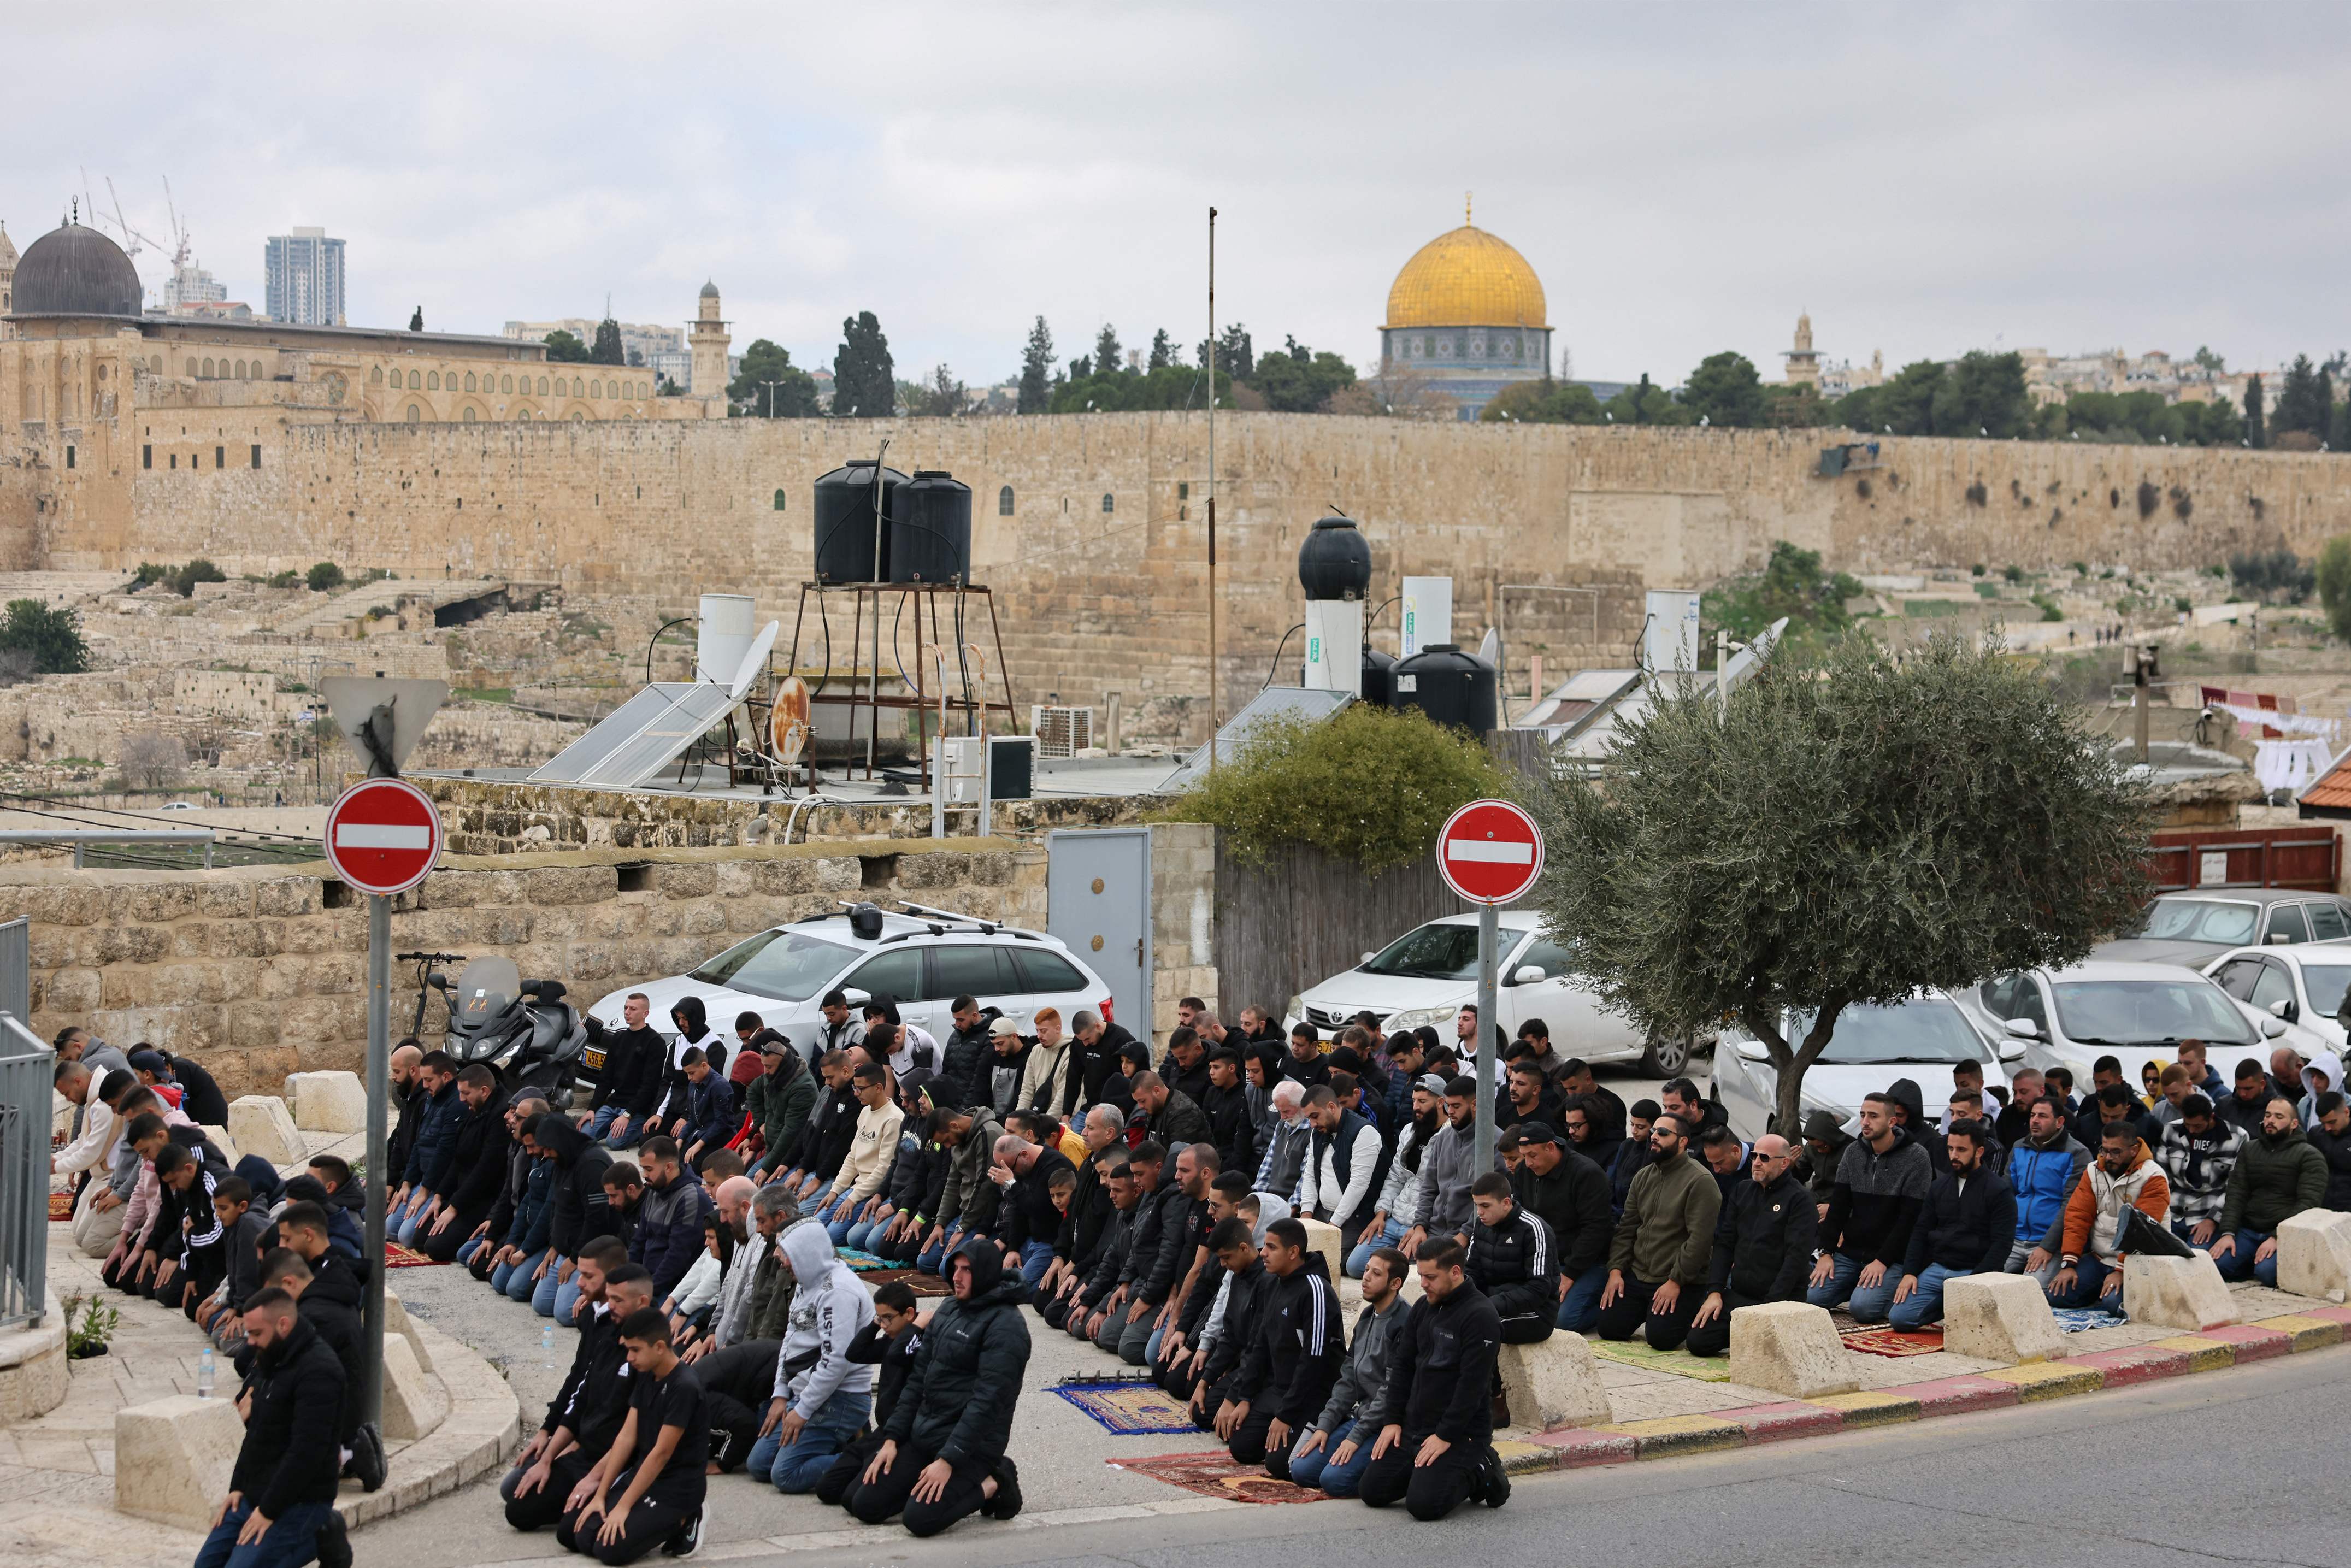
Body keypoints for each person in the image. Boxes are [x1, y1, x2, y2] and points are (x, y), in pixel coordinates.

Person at [841, 1237, 1030, 1536]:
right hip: (927, 1434)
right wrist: (892, 1440)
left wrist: (948, 1460)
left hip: (971, 1448)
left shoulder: (1007, 1326)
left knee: (920, 1520)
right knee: (862, 1504)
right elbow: (918, 1381)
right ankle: (924, 1481)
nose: (956, 1277)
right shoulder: (949, 1307)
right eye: (955, 1268)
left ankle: (995, 1481)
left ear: (984, 1273)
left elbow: (986, 1404)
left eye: (966, 1270)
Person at [1355, 1239, 1510, 1519]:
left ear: (1454, 1272)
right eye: (1421, 1275)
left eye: (1430, 1277)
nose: (1423, 1284)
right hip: (1415, 1425)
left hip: (1460, 1432)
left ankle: (1479, 1469)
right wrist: (1392, 1421)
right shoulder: (1424, 1307)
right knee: (1372, 1492)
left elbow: (1473, 1387)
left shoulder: (1481, 1315)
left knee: (1424, 1507)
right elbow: (1402, 1367)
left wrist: (1445, 1436)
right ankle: (1429, 1475)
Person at [195, 1288, 348, 1568]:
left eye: (255, 1334)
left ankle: (321, 1533)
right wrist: (237, 1488)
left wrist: (268, 1511)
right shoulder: (271, 1355)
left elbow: (307, 1453)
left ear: (283, 1325)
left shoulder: (320, 1371)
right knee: (206, 1565)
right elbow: (255, 1434)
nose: (250, 1342)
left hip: (302, 1500)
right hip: (257, 1492)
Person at [504, 1253, 652, 1533]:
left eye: (618, 1301)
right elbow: (580, 1397)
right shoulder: (608, 1334)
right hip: (585, 1454)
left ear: (641, 1302)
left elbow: (633, 1437)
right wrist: (548, 1457)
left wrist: (597, 1481)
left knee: (574, 1533)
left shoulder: (649, 1355)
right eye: (610, 1299)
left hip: (617, 1463)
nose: (610, 1307)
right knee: (518, 1505)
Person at [556, 1308, 708, 1563]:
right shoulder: (647, 1373)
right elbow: (627, 1437)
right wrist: (601, 1495)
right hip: (644, 1475)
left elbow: (660, 1454)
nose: (629, 1358)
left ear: (659, 1347)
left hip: (675, 1487)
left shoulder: (684, 1387)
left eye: (635, 1350)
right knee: (573, 1535)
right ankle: (635, 1512)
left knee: (608, 1550)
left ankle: (687, 1517)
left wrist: (623, 1507)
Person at [746, 1224, 876, 1492]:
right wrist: (781, 1394)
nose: (779, 1260)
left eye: (785, 1253)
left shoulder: (838, 1291)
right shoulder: (807, 1283)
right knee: (759, 1465)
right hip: (809, 1394)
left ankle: (867, 1459)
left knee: (785, 1475)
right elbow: (789, 1341)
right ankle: (842, 1442)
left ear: (806, 1253)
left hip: (841, 1398)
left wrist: (802, 1411)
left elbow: (835, 1361)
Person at [1287, 1246, 1411, 1498]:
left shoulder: (1403, 1323)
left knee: (1335, 1482)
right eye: (1366, 1270)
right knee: (1301, 1471)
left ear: (1395, 1283)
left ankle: (1395, 1473)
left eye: (1376, 1274)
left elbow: (1391, 1392)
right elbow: (1348, 1379)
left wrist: (1355, 1437)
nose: (1365, 1277)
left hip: (1388, 1424)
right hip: (1361, 1417)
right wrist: (1325, 1426)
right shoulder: (1367, 1317)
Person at [1595, 1113, 1722, 1349]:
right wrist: (1615, 1272)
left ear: (1683, 1142)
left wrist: (1675, 1281)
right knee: (1609, 1329)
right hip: (1638, 1274)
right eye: (1654, 1131)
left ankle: (1686, 1306)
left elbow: (1699, 1241)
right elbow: (1627, 1229)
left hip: (1677, 1279)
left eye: (1663, 1133)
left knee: (1661, 1339)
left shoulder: (1700, 1180)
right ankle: (1646, 1309)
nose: (1654, 1137)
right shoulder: (1643, 1176)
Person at [1226, 1217, 1342, 1476]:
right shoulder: (1272, 1284)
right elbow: (1259, 1346)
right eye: (1264, 1246)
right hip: (1279, 1389)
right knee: (1241, 1447)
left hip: (1313, 1394)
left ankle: (1328, 1429)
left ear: (1293, 1252)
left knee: (1278, 1465)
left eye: (1271, 1247)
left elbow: (1314, 1360)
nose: (1263, 1253)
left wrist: (1287, 1415)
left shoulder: (1315, 1290)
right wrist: (1244, 1397)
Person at [1808, 1092, 1933, 1323]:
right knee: (1812, 1297)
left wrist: (1883, 1260)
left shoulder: (1917, 1157)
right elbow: (1839, 1208)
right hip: (1852, 1252)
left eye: (1873, 1116)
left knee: (1863, 1310)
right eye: (1863, 1115)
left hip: (1892, 1256)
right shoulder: (1853, 1153)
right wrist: (1826, 1252)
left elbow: (1910, 1218)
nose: (1865, 1122)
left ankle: (1870, 1292)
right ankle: (1856, 1286)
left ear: (1891, 1121)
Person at [1685, 1134, 1813, 1358]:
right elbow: (1725, 1243)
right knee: (1697, 1342)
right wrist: (1715, 1292)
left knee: (1763, 1355)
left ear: (1784, 1163)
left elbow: (1796, 1258)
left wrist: (1769, 1307)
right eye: (1754, 1156)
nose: (1756, 1162)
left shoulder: (1800, 1199)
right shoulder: (1743, 1191)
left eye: (1765, 1158)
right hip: (1741, 1294)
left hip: (1780, 1298)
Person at [1889, 1119, 2015, 1330]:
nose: (1954, 1155)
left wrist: (1976, 1281)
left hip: (1973, 1271)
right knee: (1899, 1319)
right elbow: (1920, 1231)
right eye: (1950, 1148)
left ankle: (1957, 1303)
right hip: (1937, 1269)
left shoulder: (1998, 1190)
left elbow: (2002, 1244)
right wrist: (1910, 1272)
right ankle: (1952, 1304)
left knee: (1969, 1325)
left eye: (1961, 1149)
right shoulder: (1939, 1187)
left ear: (1979, 1151)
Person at [810, 1281, 924, 1505]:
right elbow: (855, 1353)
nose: (883, 1325)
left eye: (887, 1318)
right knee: (828, 1489)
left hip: (905, 1436)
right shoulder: (890, 1339)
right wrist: (875, 1323)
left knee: (855, 1500)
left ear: (910, 1314)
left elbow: (898, 1355)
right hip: (884, 1431)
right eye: (880, 1317)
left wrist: (917, 1327)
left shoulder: (919, 1342)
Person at [2045, 1123, 2171, 1310]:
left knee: (2113, 1305)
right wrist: (2068, 1264)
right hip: (2100, 1258)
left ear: (2134, 1150)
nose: (2108, 1157)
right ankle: (2100, 1289)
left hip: (2140, 1260)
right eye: (2105, 1150)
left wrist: (2121, 1270)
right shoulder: (2093, 1170)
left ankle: (2111, 1293)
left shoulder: (2153, 1177)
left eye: (2116, 1152)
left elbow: (2142, 1230)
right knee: (2057, 1296)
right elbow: (2077, 1217)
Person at [2209, 1097, 2328, 1286]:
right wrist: (2228, 1233)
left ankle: (2256, 1263)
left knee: (2266, 1273)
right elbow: (2236, 1193)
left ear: (2294, 1124)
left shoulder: (2310, 1156)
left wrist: (2277, 1236)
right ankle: (2247, 1261)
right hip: (2248, 1230)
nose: (2270, 1121)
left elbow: (2308, 1204)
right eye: (2268, 1115)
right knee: (2216, 1265)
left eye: (2279, 1116)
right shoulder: (2249, 1150)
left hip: (2284, 1232)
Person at [1507, 1121, 1613, 1332]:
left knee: (1563, 1320)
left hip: (1587, 1262)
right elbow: (1520, 1219)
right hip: (1545, 1261)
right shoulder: (1524, 1172)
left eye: (1533, 1156)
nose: (1527, 1163)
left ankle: (1614, 1306)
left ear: (1551, 1147)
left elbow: (1596, 1230)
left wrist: (1570, 1274)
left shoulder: (1586, 1174)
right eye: (1524, 1155)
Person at [1349, 1077, 1438, 1277]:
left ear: (1441, 1102)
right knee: (1355, 1266)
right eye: (1414, 1101)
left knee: (1405, 1275)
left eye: (1423, 1102)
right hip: (1395, 1217)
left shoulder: (1449, 1136)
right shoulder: (1409, 1131)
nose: (1416, 1107)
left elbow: (1441, 1191)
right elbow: (1395, 1177)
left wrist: (1420, 1226)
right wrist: (1381, 1213)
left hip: (1423, 1224)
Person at [1401, 1077, 1498, 1256]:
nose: (1450, 1111)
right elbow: (1429, 1188)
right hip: (1433, 1232)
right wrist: (1420, 1227)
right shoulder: (1443, 1138)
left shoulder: (1493, 1143)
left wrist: (1465, 1235)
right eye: (1447, 1105)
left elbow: (1490, 1202)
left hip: (1468, 1238)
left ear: (1475, 1105)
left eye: (1456, 1106)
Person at [809, 1062, 904, 1234]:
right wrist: (836, 1190)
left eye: (860, 1088)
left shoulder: (894, 1119)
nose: (855, 1093)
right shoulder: (865, 1112)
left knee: (830, 1235)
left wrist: (853, 1198)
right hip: (855, 1188)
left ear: (878, 1088)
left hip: (872, 1193)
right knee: (813, 1225)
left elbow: (884, 1169)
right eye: (855, 1087)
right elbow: (852, 1156)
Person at [2007, 1094, 2091, 1284]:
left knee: (2030, 1289)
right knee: (1985, 1283)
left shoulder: (2077, 1153)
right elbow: (2006, 1194)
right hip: (2014, 1240)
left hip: (2050, 1244)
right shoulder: (2019, 1148)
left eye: (2043, 1116)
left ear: (2059, 1122)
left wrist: (2047, 1246)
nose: (2035, 1121)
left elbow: (2070, 1206)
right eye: (2032, 1115)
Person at [1463, 1171, 1554, 1344]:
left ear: (1506, 1203)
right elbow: (1473, 1272)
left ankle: (1487, 1373)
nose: (1480, 1212)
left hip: (1536, 1314)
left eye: (1486, 1206)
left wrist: (1488, 1306)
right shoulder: (1481, 1224)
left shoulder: (1533, 1229)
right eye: (1477, 1206)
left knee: (1476, 1327)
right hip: (1491, 1304)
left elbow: (1539, 1288)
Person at [1298, 1083, 1384, 1253]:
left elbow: (1358, 1185)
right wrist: (1306, 1214)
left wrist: (1333, 1226)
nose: (1312, 1124)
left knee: (1325, 1258)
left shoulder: (1364, 1132)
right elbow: (1310, 1174)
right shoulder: (1319, 1131)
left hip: (1354, 1217)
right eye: (1309, 1118)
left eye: (1315, 1116)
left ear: (1331, 1107)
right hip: (1322, 1212)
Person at [629, 1136, 714, 1309]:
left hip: (672, 1289)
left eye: (648, 1169)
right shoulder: (655, 1189)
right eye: (643, 1169)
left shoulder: (691, 1198)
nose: (644, 1175)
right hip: (649, 1280)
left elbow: (677, 1257)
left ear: (668, 1167)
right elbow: (639, 1241)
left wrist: (646, 1292)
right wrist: (626, 1281)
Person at [2155, 1094, 2245, 1247]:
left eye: (2197, 1126)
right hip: (2173, 1211)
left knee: (2195, 1259)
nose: (2191, 1130)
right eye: (2187, 1124)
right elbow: (2162, 1176)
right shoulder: (2171, 1130)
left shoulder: (2237, 1137)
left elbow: (2234, 1187)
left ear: (2211, 1117)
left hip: (2207, 1211)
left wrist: (2212, 1219)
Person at [993, 1132, 1076, 1288]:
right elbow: (1018, 1209)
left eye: (1010, 1167)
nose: (1011, 1173)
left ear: (1024, 1155)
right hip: (1029, 1241)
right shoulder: (1021, 1168)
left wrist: (1012, 1184)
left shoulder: (1055, 1165)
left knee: (1017, 1290)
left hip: (1050, 1244)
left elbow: (1039, 1210)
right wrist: (1013, 1248)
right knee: (987, 1275)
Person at [586, 993, 664, 1148]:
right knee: (583, 1136)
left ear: (645, 1014)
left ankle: (635, 1129)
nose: (627, 1012)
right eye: (626, 1008)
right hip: (614, 1104)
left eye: (633, 1009)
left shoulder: (655, 1043)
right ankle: (612, 1126)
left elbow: (650, 1086)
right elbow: (605, 1078)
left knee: (614, 1143)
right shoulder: (619, 1038)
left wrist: (628, 1114)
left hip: (638, 1109)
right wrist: (592, 1109)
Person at [742, 1031, 815, 1180]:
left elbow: (790, 1133)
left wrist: (766, 1167)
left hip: (791, 1156)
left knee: (757, 1191)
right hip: (772, 1150)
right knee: (743, 1186)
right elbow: (753, 1093)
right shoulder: (773, 1075)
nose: (765, 1071)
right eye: (763, 1066)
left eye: (769, 1066)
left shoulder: (802, 1088)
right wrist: (761, 1122)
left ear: (783, 1063)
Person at [1200, 1047, 1258, 1179]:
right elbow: (1206, 1130)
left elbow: (1245, 1138)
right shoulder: (1211, 1093)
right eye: (1210, 1067)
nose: (1211, 1073)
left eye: (1216, 1067)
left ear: (1231, 1068)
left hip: (1238, 1164)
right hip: (1213, 1160)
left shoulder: (1247, 1094)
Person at [1254, 1080, 1312, 1199]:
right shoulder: (1282, 1125)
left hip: (1290, 1200)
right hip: (1271, 1197)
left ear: (1302, 1106)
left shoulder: (1312, 1131)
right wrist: (1259, 1197)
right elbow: (1267, 1164)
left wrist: (1291, 1207)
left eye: (1286, 1111)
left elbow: (1306, 1178)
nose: (1282, 1117)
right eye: (1280, 1111)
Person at [1133, 1070, 1212, 1151]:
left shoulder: (1183, 1112)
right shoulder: (1153, 1107)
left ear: (1156, 1091)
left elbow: (1177, 1157)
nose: (1140, 1106)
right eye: (1137, 1102)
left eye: (1142, 1101)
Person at [1607, 1099, 1661, 1215]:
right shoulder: (1626, 1145)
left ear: (1654, 1127)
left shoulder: (1657, 1152)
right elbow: (1611, 1178)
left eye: (1641, 1127)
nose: (1634, 1131)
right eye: (1632, 1125)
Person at [2308, 1092, 2351, 1210]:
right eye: (2323, 1123)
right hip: (2321, 1208)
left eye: (2332, 1122)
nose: (2327, 1128)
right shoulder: (2316, 1135)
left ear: (2346, 1112)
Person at [2220, 1058, 2275, 1140]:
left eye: (2248, 1089)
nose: (2242, 1094)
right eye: (2239, 1088)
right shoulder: (2223, 1106)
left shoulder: (2280, 1109)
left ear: (2262, 1084)